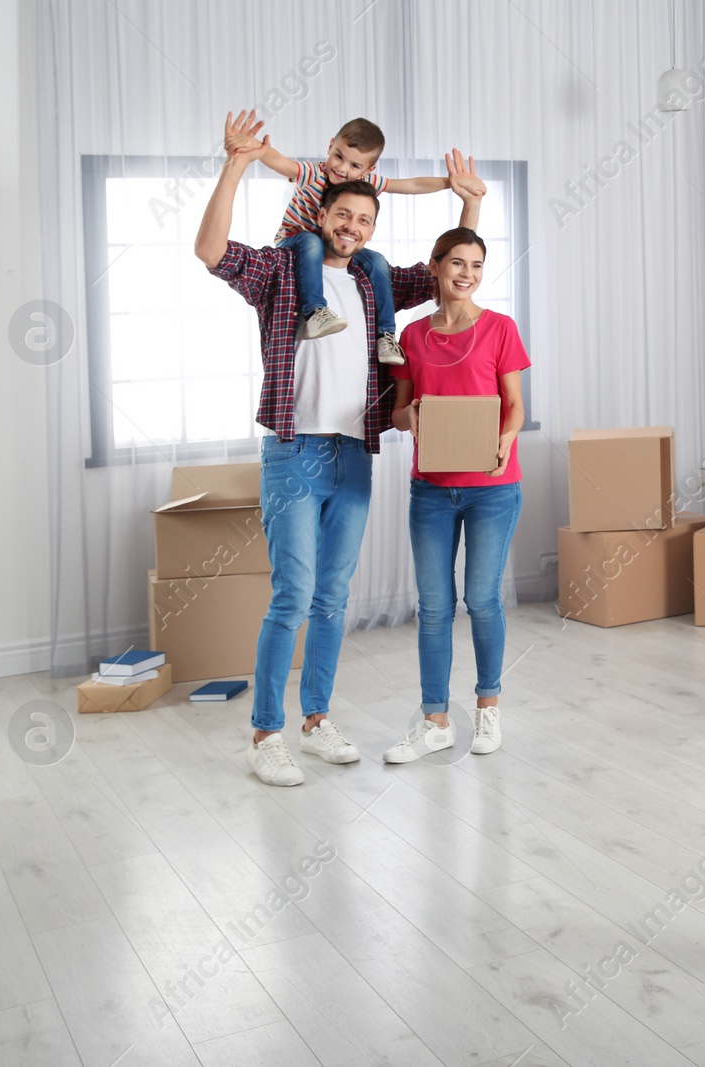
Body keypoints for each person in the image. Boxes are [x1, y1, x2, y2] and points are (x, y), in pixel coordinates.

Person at [195, 112, 484, 787]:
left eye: (364, 219)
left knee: (332, 596)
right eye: (343, 215)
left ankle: (316, 720)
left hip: (354, 455)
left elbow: (452, 273)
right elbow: (212, 252)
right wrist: (237, 162)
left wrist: (468, 198)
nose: (352, 226)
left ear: (371, 229)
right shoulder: (280, 273)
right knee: (293, 594)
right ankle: (266, 734)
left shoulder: (372, 280)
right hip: (295, 454)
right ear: (321, 213)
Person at [381, 228, 529, 763]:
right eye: (457, 263)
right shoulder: (414, 336)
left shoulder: (500, 328)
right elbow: (399, 412)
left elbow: (514, 405)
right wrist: (411, 416)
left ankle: (488, 708)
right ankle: (435, 722)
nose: (466, 274)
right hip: (432, 490)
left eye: (476, 265)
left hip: (492, 488)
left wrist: (506, 438)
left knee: (482, 599)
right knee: (435, 606)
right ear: (437, 267)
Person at [225, 110, 459, 360]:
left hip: (334, 246)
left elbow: (411, 185)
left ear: (369, 168)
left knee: (376, 260)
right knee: (311, 241)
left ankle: (385, 335)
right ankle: (315, 311)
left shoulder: (368, 182)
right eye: (338, 156)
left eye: (355, 165)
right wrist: (256, 148)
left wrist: (451, 182)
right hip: (295, 241)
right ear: (330, 146)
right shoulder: (314, 173)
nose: (342, 168)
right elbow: (281, 161)